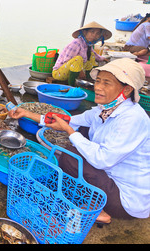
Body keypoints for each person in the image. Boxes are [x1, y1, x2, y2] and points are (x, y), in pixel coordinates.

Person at [9, 58, 150, 223]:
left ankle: (99, 210)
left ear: (126, 91)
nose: (98, 87)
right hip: (109, 176)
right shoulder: (105, 109)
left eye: (106, 83)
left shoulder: (133, 119)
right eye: (97, 81)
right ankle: (85, 195)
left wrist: (69, 131)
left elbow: (102, 160)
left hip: (123, 198)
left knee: (70, 156)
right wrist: (26, 113)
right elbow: (69, 120)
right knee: (82, 129)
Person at [52, 21, 110, 86]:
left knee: (92, 56)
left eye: (97, 33)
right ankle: (72, 86)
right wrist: (80, 71)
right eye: (92, 32)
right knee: (78, 59)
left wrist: (104, 59)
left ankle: (89, 80)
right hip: (59, 73)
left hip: (75, 69)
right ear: (85, 32)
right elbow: (67, 60)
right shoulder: (76, 43)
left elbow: (95, 56)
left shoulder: (88, 45)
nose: (94, 35)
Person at [123, 13, 150, 81]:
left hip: (132, 47)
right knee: (145, 51)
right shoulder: (147, 25)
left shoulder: (143, 24)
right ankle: (132, 56)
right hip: (130, 47)